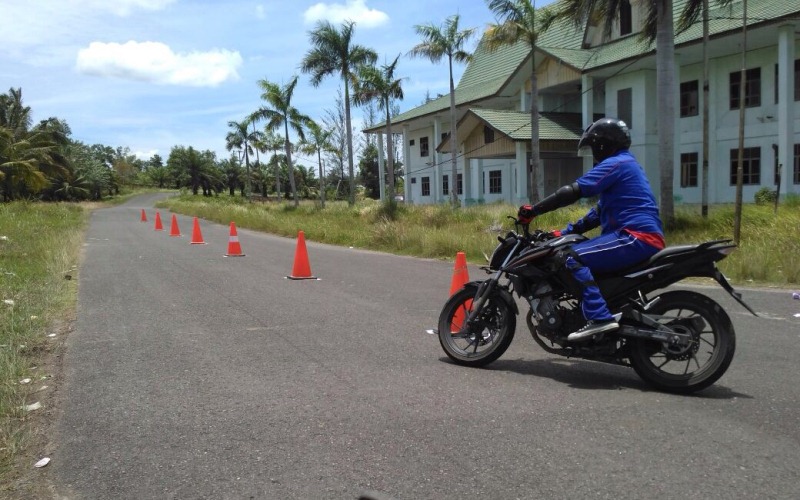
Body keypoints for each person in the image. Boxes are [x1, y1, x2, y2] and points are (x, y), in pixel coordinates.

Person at [517, 117, 665, 341]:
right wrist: (563, 233)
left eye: (594, 146)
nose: (594, 152)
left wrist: (534, 211)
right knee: (578, 253)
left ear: (603, 144)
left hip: (635, 236)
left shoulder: (616, 163)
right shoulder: (626, 164)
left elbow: (573, 191)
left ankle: (600, 318)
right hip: (637, 237)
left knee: (571, 258)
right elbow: (596, 215)